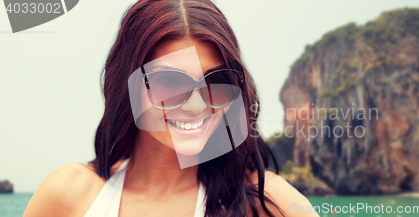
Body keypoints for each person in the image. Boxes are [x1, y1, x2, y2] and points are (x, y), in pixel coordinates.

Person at [23, 0, 317, 216]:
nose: (197, 104)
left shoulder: (266, 202)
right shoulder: (67, 196)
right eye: (169, 82)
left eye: (217, 80)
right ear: (129, 84)